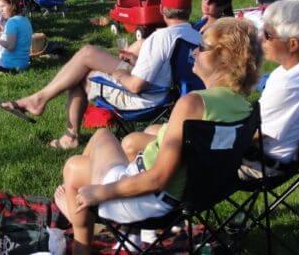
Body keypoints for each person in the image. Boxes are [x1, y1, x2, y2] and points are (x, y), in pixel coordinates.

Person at [56, 18, 260, 254]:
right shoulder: (243, 107)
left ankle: (81, 231)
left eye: (202, 48)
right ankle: (108, 226)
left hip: (151, 201)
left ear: (222, 58)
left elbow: (157, 179)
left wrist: (99, 193)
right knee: (97, 148)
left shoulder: (194, 104)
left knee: (76, 165)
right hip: (187, 194)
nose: (195, 51)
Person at [2, 0, 200, 149]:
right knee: (87, 53)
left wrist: (118, 72)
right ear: (190, 9)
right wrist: (133, 62)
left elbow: (136, 85)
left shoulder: (160, 38)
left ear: (162, 9)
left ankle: (64, 131)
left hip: (144, 100)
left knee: (81, 73)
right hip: (165, 94)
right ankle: (39, 101)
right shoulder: (195, 37)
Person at [240, 0, 299, 179]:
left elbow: (257, 135)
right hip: (288, 160)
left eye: (267, 35)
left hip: (261, 166)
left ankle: (172, 206)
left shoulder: (285, 84)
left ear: (292, 44)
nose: (260, 39)